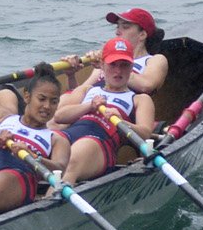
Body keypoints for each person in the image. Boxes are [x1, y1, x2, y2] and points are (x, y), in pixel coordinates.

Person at [0, 67, 72, 222]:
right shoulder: (1, 117)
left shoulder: (56, 139)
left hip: (19, 177)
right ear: (27, 96)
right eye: (42, 99)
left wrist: (35, 157)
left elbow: (60, 169)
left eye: (54, 102)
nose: (47, 106)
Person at [53, 36, 157, 186]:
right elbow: (59, 116)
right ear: (102, 65)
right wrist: (89, 106)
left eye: (124, 65)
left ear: (132, 67)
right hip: (68, 136)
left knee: (72, 160)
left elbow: (145, 133)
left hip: (100, 144)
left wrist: (122, 121)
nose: (118, 71)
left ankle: (51, 200)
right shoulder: (87, 89)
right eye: (113, 64)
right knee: (46, 142)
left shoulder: (140, 99)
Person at [62, 7, 168, 95]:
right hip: (92, 107)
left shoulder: (155, 60)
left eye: (125, 27)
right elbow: (78, 94)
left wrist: (108, 66)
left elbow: (146, 85)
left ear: (142, 35)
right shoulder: (105, 61)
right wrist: (71, 76)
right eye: (117, 27)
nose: (117, 32)